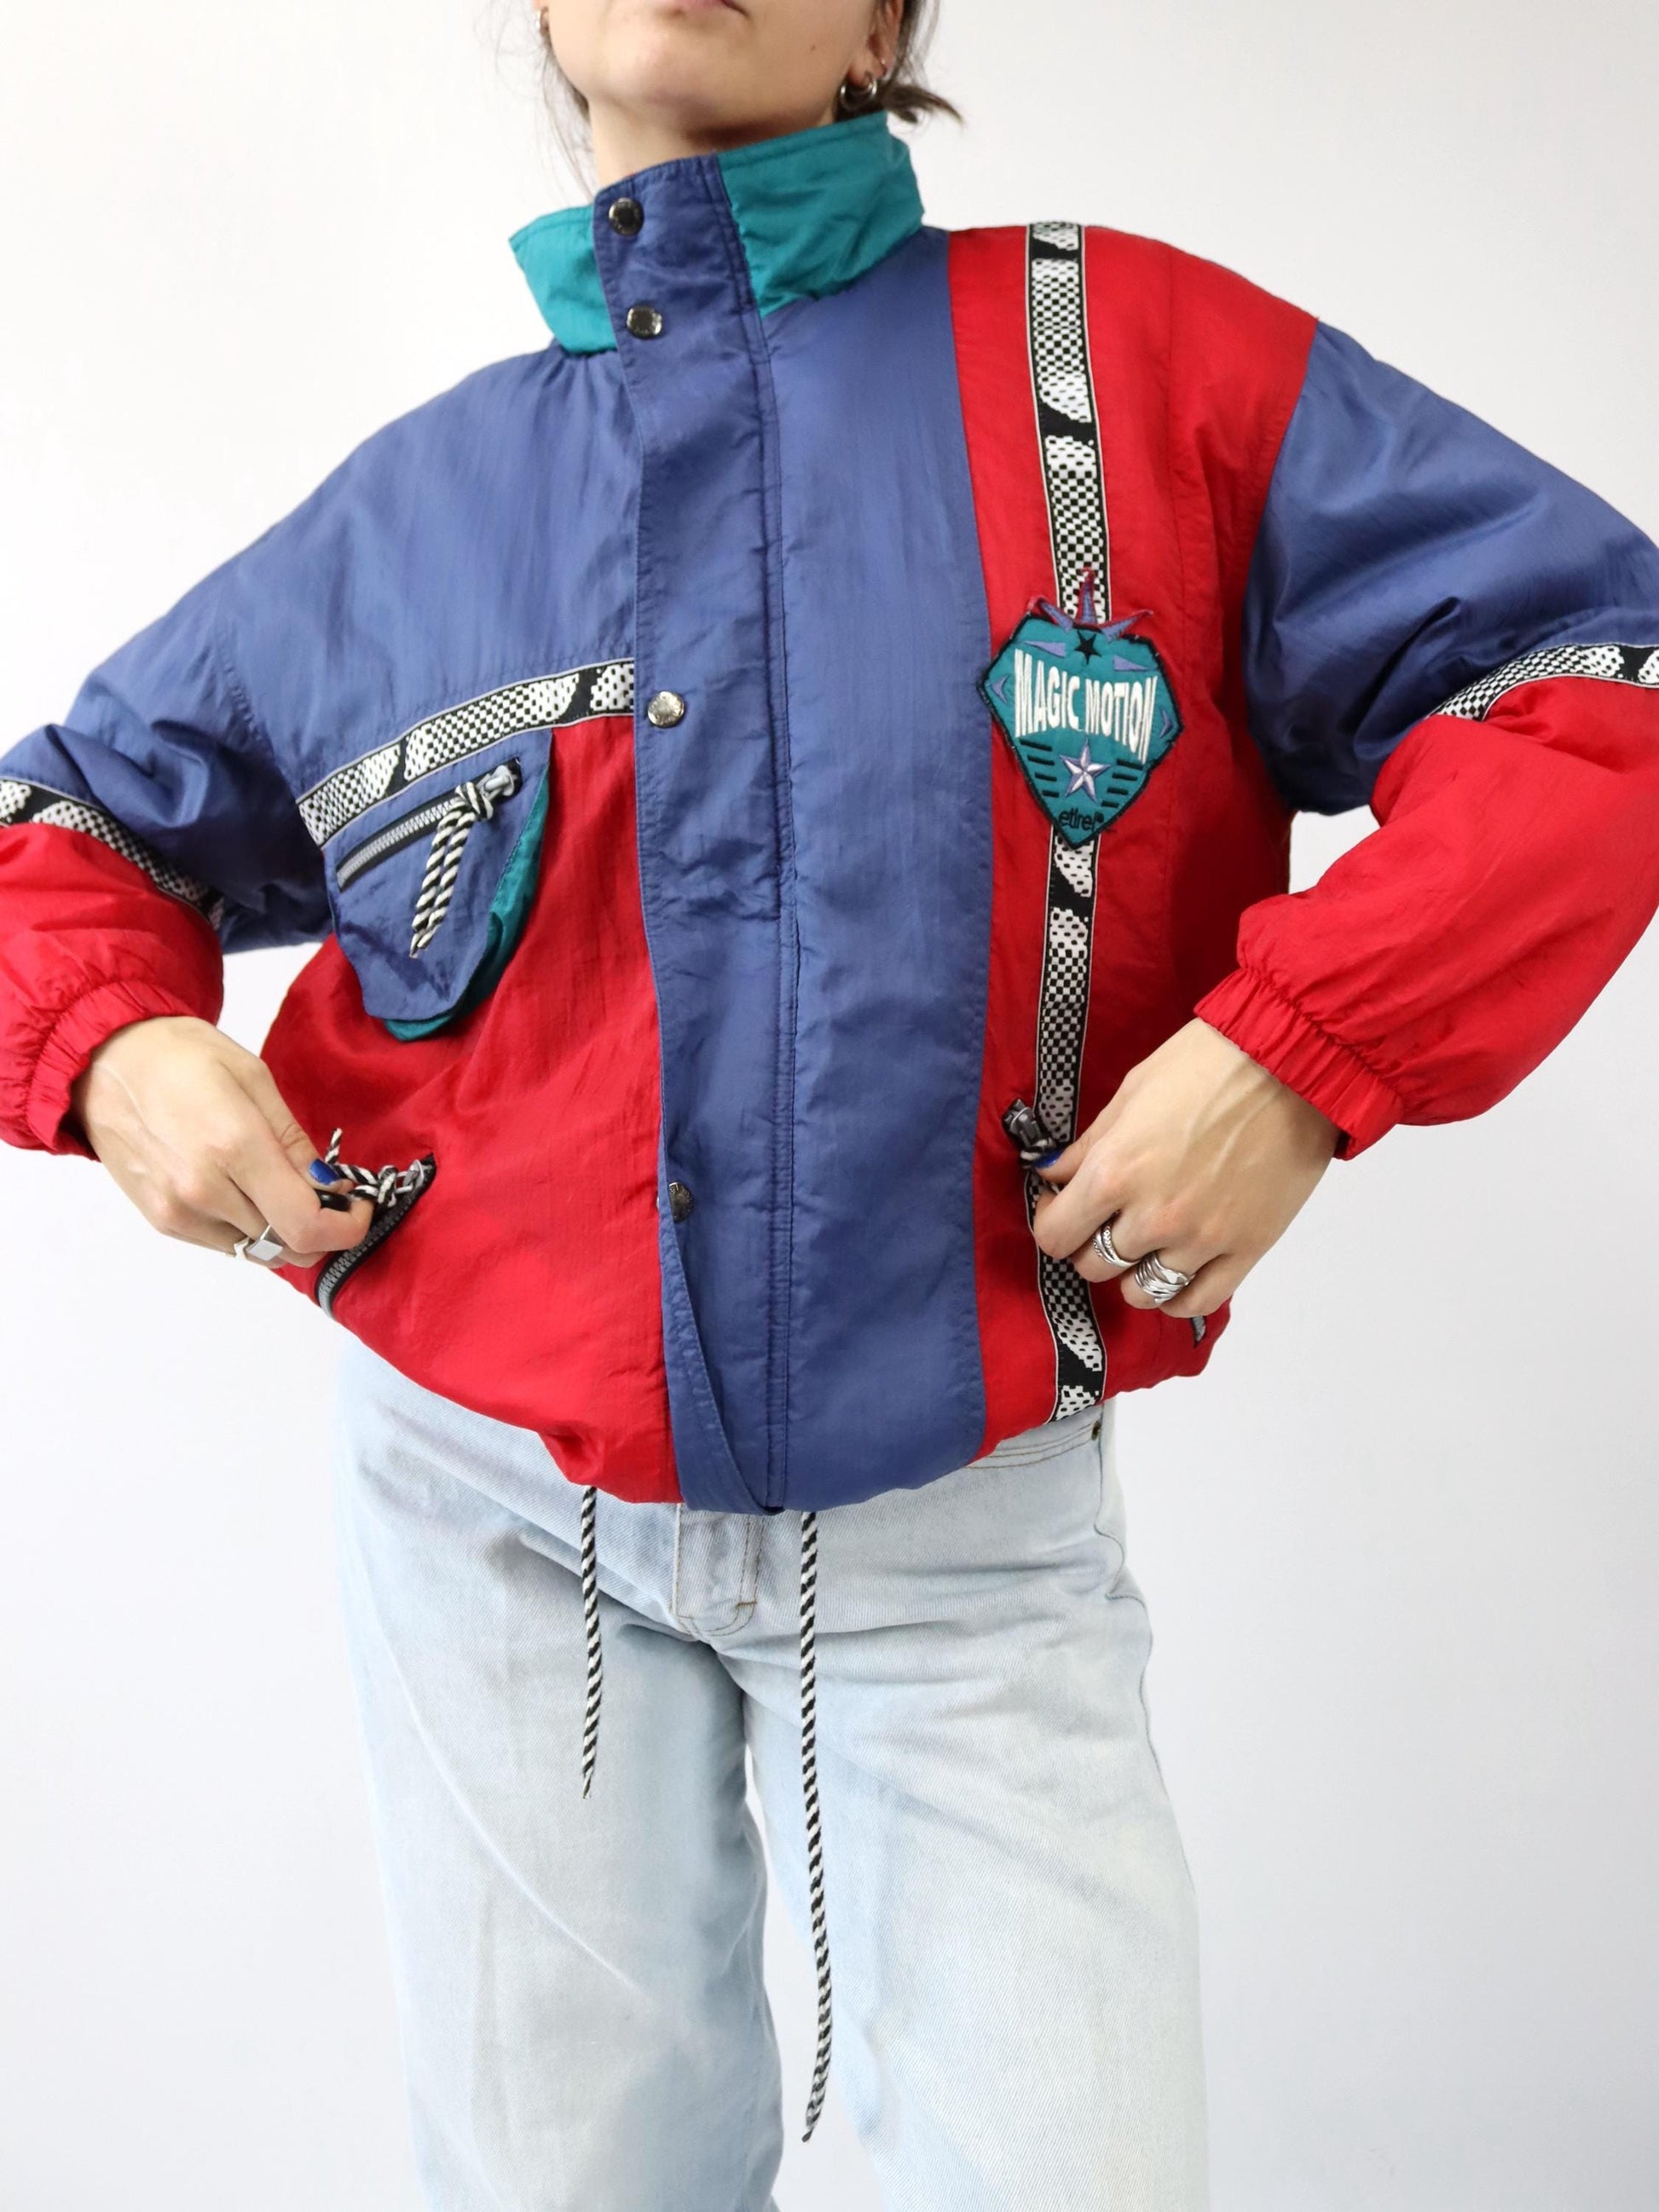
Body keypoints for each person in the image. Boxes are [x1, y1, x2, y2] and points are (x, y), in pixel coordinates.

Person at [3, 0, 1656, 2204]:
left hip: (963, 1512)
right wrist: (118, 1047)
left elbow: (1592, 678)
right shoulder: (408, 513)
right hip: (489, 1514)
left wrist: (1299, 1047)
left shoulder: (1132, 369)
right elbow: (63, 837)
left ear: (884, 22)